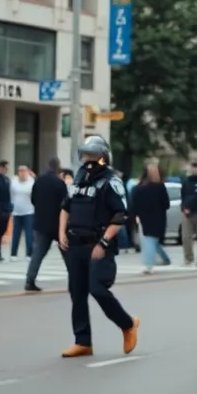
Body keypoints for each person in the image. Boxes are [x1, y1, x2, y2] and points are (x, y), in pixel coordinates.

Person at [57, 136, 140, 358]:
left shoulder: (111, 181)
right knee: (77, 293)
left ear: (103, 157)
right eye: (86, 155)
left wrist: (104, 242)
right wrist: (61, 231)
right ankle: (82, 341)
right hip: (75, 244)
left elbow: (120, 215)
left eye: (93, 155)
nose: (88, 159)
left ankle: (127, 324)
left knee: (97, 288)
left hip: (98, 245)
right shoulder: (80, 177)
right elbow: (66, 206)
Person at [26, 157, 67, 292]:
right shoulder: (60, 183)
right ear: (58, 167)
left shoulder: (39, 181)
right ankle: (75, 279)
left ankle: (30, 280)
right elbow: (66, 204)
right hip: (57, 223)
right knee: (67, 252)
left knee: (38, 253)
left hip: (41, 222)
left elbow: (33, 199)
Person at [131, 162, 173, 274]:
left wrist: (134, 216)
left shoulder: (137, 188)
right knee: (153, 239)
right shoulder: (160, 187)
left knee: (150, 240)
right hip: (158, 217)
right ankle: (153, 263)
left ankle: (154, 263)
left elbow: (133, 205)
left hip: (144, 217)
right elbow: (166, 204)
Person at [10, 165, 36, 260]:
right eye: (20, 171)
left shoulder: (31, 182)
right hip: (16, 212)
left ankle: (29, 254)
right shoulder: (14, 181)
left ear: (27, 172)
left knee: (29, 234)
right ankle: (13, 254)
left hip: (29, 211)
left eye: (24, 171)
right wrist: (11, 209)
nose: (22, 173)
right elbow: (11, 195)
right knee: (16, 234)